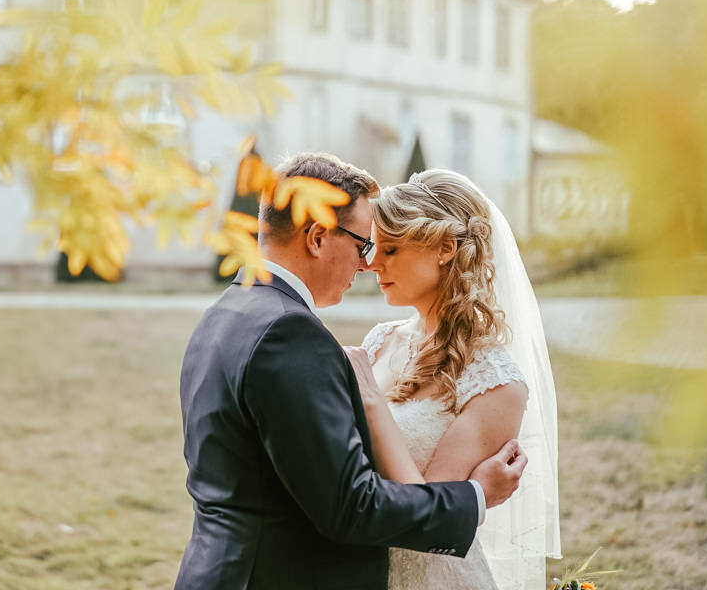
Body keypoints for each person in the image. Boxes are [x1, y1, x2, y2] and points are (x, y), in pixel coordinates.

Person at [175, 153, 528, 590]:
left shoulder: (224, 314)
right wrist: (476, 497)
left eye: (385, 248)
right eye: (364, 245)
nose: (368, 264)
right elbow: (351, 506)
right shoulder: (291, 333)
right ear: (318, 238)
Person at [348, 169, 561, 590]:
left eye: (391, 249)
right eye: (375, 247)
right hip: (356, 566)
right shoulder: (379, 342)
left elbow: (429, 516)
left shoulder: (496, 382)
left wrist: (373, 406)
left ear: (445, 248)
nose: (372, 263)